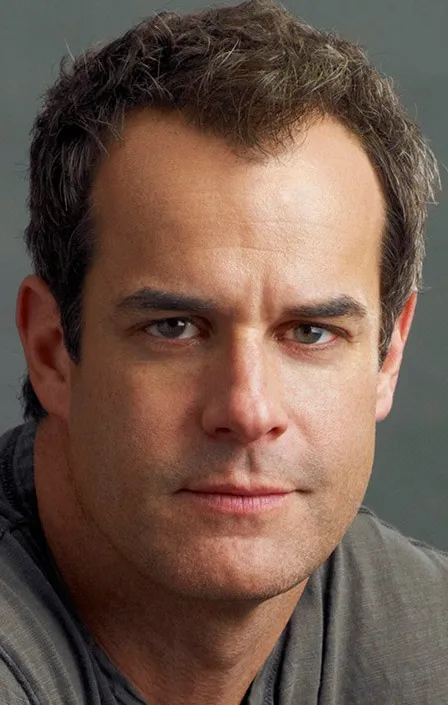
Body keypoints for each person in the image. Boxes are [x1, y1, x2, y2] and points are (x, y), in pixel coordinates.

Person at [1, 0, 447, 702]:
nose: (247, 410)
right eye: (175, 327)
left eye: (311, 332)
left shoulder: (429, 642)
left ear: (387, 357)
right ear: (52, 349)